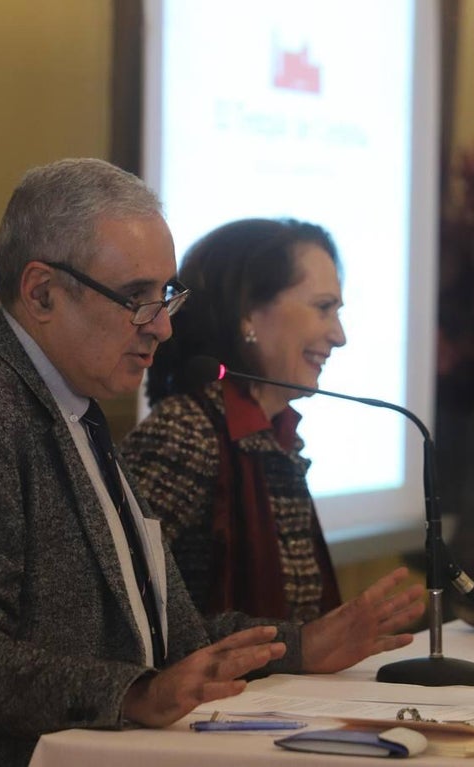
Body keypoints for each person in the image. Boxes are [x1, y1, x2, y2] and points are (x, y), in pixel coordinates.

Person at [0, 159, 425, 767]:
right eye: (136, 299)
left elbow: (165, 637)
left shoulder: (74, 407)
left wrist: (300, 645)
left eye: (166, 295)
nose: (163, 327)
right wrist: (136, 692)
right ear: (42, 293)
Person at [121, 218, 346, 623]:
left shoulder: (276, 437)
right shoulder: (185, 434)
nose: (339, 335)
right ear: (248, 314)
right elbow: (115, 607)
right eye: (323, 308)